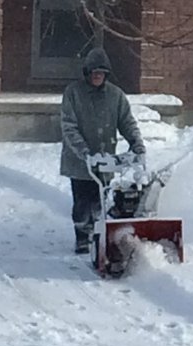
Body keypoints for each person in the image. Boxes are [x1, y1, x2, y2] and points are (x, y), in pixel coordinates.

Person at [59, 46, 146, 254]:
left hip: (106, 158)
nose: (98, 76)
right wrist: (85, 152)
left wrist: (137, 144)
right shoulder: (73, 93)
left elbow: (127, 122)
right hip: (80, 161)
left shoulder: (116, 96)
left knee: (100, 200)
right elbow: (68, 126)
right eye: (94, 72)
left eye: (101, 73)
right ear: (87, 73)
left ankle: (98, 234)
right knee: (82, 201)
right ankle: (82, 236)